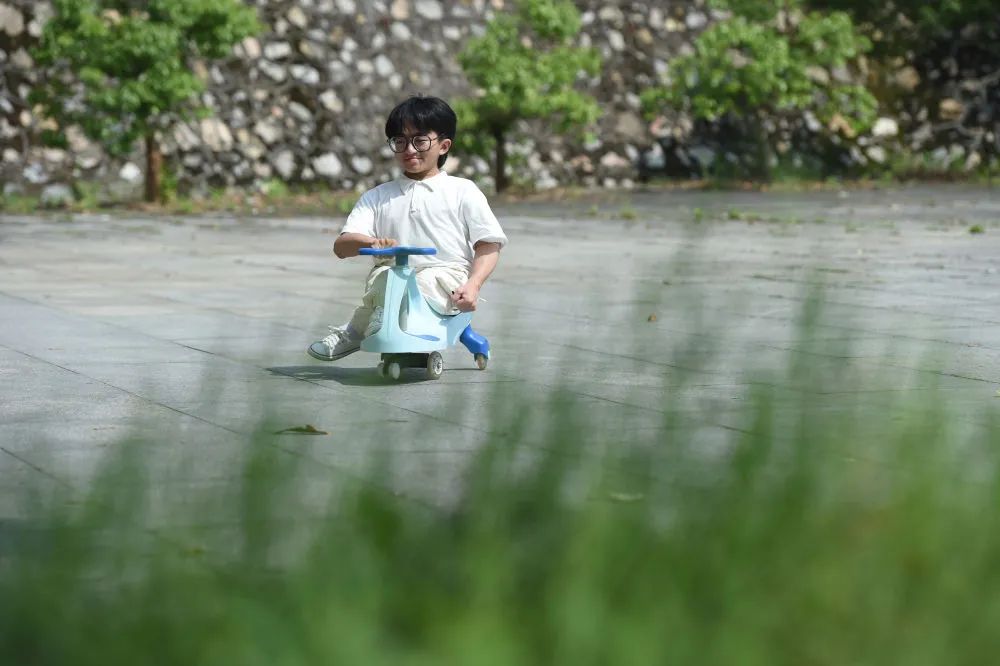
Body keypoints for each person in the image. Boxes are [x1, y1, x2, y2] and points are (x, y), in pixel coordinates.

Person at [308, 95, 507, 361]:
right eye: (400, 141)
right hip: (390, 276)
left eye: (420, 140)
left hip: (446, 276)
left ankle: (362, 329)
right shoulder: (378, 196)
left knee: (414, 282)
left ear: (444, 145)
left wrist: (474, 284)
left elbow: (488, 243)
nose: (409, 149)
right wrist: (369, 244)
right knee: (389, 278)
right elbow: (342, 246)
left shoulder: (462, 191)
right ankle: (366, 327)